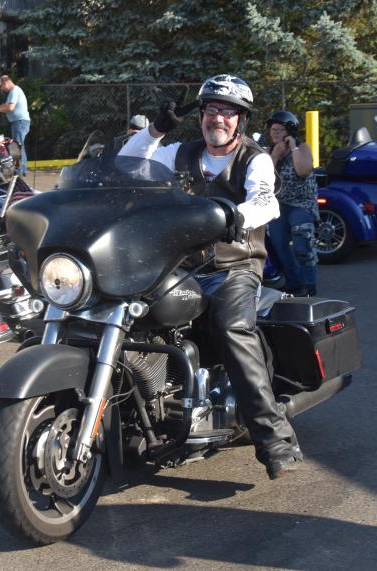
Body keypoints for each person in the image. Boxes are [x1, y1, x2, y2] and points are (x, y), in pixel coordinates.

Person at [120, 74, 304, 480]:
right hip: (178, 266)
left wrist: (236, 215)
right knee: (125, 312)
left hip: (233, 267)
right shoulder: (180, 153)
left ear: (241, 119)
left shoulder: (253, 158)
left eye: (227, 111)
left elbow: (265, 201)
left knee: (232, 328)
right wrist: (156, 130)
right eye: (211, 109)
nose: (217, 118)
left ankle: (275, 439)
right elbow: (127, 165)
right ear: (201, 115)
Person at [267, 111, 318, 297]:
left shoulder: (303, 148)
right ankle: (294, 284)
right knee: (280, 246)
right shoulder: (269, 151)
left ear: (289, 132)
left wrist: (293, 147)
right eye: (273, 130)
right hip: (279, 205)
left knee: (302, 244)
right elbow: (264, 176)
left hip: (302, 205)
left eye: (279, 130)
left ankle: (309, 285)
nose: (275, 133)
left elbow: (303, 170)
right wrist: (275, 155)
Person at [0, 74, 29, 176]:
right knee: (19, 145)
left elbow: (10, 107)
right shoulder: (13, 92)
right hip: (19, 122)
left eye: (1, 86)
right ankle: (22, 169)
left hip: (20, 122)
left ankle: (20, 170)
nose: (1, 89)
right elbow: (6, 105)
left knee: (18, 146)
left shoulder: (14, 90)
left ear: (6, 83)